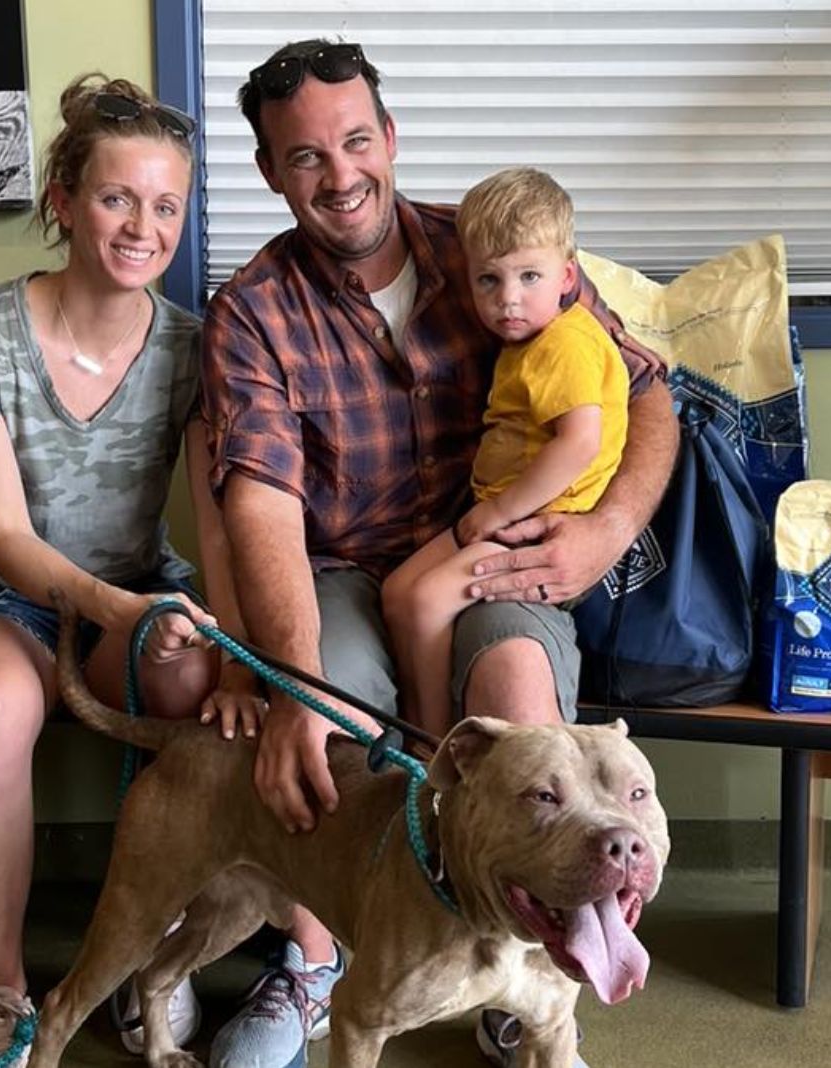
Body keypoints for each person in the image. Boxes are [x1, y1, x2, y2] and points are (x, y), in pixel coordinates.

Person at [199, 39, 678, 1068]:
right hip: (344, 571)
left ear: (391, 138)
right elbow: (262, 503)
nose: (339, 175)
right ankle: (322, 964)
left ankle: (542, 974)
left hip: (493, 555)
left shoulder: (499, 246)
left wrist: (606, 528)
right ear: (270, 173)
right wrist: (292, 680)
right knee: (328, 728)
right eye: (304, 158)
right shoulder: (252, 312)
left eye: (356, 141)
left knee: (521, 706)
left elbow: (643, 395)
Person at [0, 73, 263, 1068]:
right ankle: (3, 995)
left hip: (137, 588)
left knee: (201, 686)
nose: (140, 228)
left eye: (164, 206)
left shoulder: (198, 351)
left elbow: (214, 517)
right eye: (117, 199)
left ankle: (146, 962)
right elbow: (5, 531)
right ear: (64, 202)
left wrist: (235, 655)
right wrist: (117, 607)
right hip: (2, 595)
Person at [381, 166, 629, 739]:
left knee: (423, 604)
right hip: (502, 512)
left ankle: (433, 744)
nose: (508, 299)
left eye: (528, 276)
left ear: (567, 277)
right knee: (398, 593)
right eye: (489, 280)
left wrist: (501, 511)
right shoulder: (531, 342)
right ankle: (422, 719)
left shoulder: (565, 343)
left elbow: (580, 443)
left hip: (536, 524)